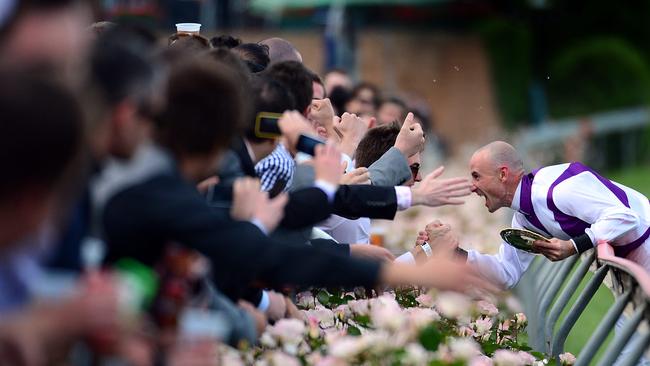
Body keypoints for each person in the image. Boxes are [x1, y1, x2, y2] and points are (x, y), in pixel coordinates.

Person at [465, 141, 649, 290]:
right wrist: (455, 253)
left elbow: (626, 217)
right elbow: (505, 274)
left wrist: (573, 245)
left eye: (476, 176)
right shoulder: (524, 217)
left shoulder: (559, 190)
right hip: (627, 261)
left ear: (503, 174)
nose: (471, 186)